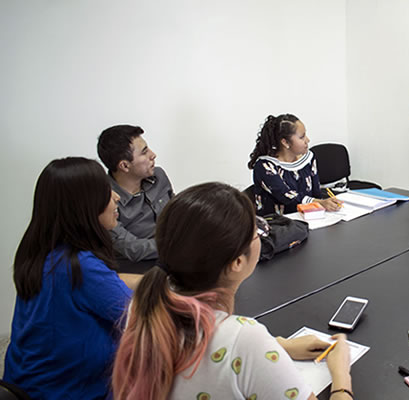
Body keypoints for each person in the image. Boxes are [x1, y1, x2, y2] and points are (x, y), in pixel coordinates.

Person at [112, 182, 353, 400]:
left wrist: (279, 345)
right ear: (237, 262)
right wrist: (341, 373)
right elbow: (229, 351)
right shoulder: (244, 340)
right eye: (257, 230)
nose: (262, 233)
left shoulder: (145, 305)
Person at [4, 157, 139, 400]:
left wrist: (158, 278)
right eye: (106, 192)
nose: (116, 197)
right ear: (84, 205)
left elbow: (109, 281)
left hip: (29, 387)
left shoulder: (45, 254)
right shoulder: (81, 267)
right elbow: (143, 318)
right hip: (71, 392)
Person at [97, 124, 174, 265]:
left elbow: (177, 210)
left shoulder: (158, 176)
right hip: (137, 266)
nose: (153, 155)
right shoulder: (104, 199)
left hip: (171, 254)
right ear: (125, 166)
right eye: (144, 152)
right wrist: (178, 246)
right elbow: (132, 249)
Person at [248, 114, 342, 216]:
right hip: (280, 223)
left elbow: (316, 193)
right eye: (302, 137)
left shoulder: (308, 158)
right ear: (285, 142)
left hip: (309, 218)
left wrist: (326, 203)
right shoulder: (265, 166)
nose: (308, 140)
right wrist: (320, 203)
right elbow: (286, 196)